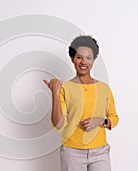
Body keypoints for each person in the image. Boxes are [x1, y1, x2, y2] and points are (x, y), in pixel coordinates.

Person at [44, 35, 119, 171]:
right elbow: (58, 125)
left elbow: (114, 117)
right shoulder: (65, 88)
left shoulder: (103, 88)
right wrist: (55, 94)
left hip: (100, 151)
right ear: (72, 59)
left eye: (88, 58)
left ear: (94, 60)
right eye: (79, 57)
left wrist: (100, 121)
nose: (84, 62)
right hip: (72, 152)